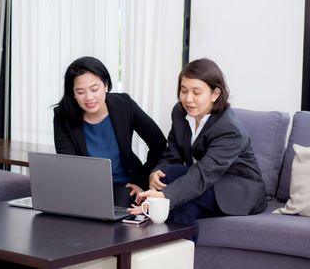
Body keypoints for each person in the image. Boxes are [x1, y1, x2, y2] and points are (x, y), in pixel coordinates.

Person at [128, 58, 267, 241]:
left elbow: (204, 173)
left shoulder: (230, 129)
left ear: (215, 94)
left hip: (237, 189)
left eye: (196, 92)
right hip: (205, 184)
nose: (188, 98)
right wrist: (155, 173)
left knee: (173, 178)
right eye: (183, 90)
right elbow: (172, 154)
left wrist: (163, 196)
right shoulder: (180, 113)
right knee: (180, 203)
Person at [53, 56, 167, 207]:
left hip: (124, 185)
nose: (89, 98)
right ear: (73, 93)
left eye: (95, 89)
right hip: (84, 188)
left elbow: (158, 143)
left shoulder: (124, 105)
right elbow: (69, 166)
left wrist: (142, 181)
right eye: (80, 92)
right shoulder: (63, 116)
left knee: (113, 213)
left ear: (106, 85)